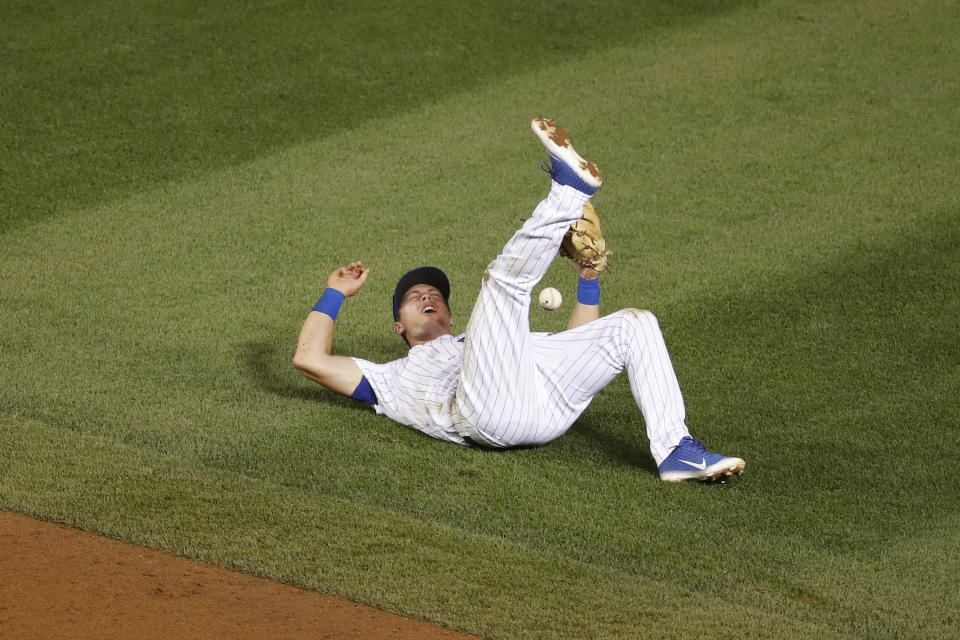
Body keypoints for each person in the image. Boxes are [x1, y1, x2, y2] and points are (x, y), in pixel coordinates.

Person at [293, 117, 746, 482]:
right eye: (415, 297)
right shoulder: (387, 379)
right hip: (489, 417)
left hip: (548, 408)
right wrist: (335, 292)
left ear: (450, 317)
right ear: (399, 325)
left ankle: (676, 451)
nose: (428, 296)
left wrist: (588, 281)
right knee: (502, 284)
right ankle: (567, 192)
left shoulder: (483, 341)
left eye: (435, 294)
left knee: (635, 324)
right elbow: (310, 358)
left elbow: (575, 347)